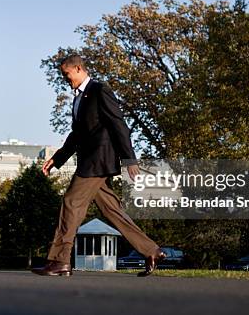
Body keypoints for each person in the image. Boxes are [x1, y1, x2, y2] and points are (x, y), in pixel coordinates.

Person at [31, 55, 165, 277]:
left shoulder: (100, 90)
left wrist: (129, 159)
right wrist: (58, 158)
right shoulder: (79, 98)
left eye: (67, 74)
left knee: (71, 202)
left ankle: (59, 261)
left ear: (78, 68)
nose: (66, 79)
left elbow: (118, 123)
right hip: (91, 160)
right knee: (112, 209)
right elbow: (77, 134)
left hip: (97, 160)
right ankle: (152, 251)